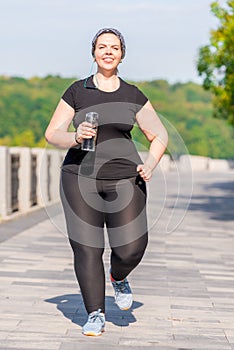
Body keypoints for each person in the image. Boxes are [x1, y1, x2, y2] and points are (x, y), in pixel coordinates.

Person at [45, 28, 168, 336]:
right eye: (103, 46)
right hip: (78, 177)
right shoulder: (77, 90)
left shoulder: (133, 94)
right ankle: (95, 313)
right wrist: (75, 136)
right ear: (94, 53)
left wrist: (150, 162)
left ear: (122, 54)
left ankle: (118, 275)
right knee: (87, 247)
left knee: (131, 248)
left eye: (114, 47)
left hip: (125, 178)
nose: (108, 51)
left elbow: (159, 135)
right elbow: (52, 134)